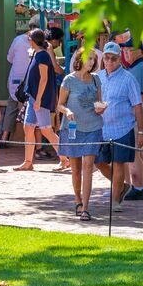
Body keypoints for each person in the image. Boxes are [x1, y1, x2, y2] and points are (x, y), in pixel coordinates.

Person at [95, 42, 143, 212]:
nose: (109, 61)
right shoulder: (98, 77)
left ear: (119, 59)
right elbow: (95, 100)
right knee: (99, 162)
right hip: (102, 129)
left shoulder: (128, 78)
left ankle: (115, 201)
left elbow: (137, 106)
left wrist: (140, 131)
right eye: (106, 57)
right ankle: (122, 187)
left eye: (113, 58)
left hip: (123, 128)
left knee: (118, 165)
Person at [57, 51, 106, 221]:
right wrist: (67, 111)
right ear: (79, 60)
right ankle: (77, 199)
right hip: (73, 128)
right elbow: (60, 105)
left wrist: (101, 107)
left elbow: (99, 103)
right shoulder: (69, 80)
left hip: (93, 127)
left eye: (94, 59)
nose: (91, 62)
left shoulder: (96, 79)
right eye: (89, 58)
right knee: (76, 167)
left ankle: (86, 207)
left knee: (88, 166)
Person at [15, 29, 60, 172]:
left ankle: (66, 158)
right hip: (33, 97)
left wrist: (39, 100)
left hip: (40, 98)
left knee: (46, 130)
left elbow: (44, 79)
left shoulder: (43, 56)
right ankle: (28, 161)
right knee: (28, 127)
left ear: (32, 40)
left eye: (29, 39)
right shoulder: (36, 54)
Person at [124, 39, 143, 200]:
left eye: (129, 49)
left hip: (138, 113)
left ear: (138, 51)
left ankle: (138, 187)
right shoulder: (137, 67)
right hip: (140, 112)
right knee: (139, 151)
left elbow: (140, 97)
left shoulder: (140, 68)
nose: (125, 53)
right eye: (125, 50)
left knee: (134, 151)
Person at [1, 20, 35, 144]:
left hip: (15, 77)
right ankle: (30, 141)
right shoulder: (39, 42)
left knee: (12, 105)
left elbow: (9, 58)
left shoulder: (18, 40)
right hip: (30, 78)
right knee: (31, 107)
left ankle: (4, 137)